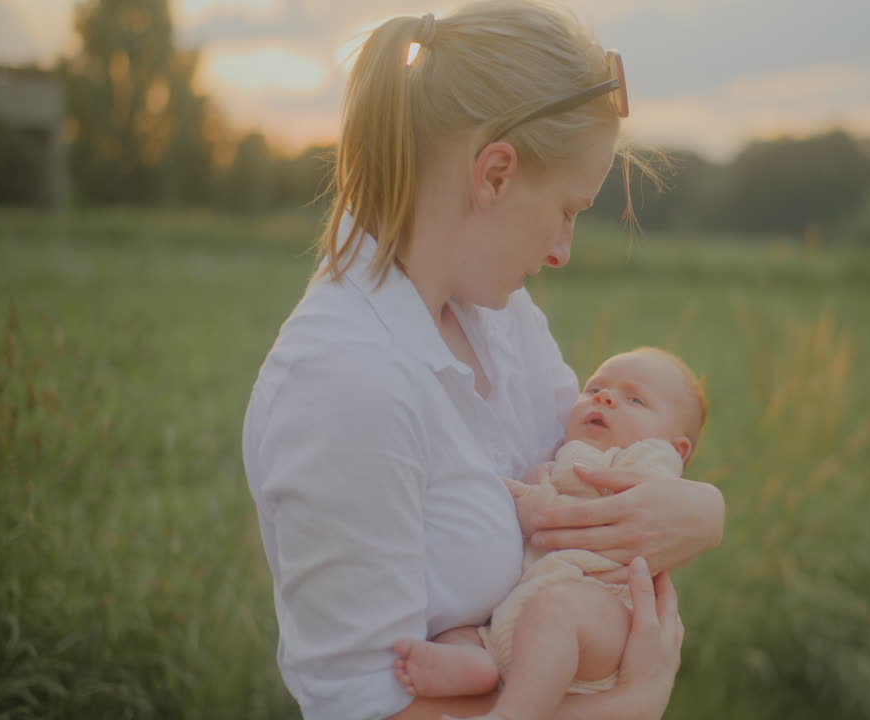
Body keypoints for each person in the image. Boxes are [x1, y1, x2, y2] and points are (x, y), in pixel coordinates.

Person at [241, 2, 725, 719]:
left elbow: (592, 459)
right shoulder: (344, 383)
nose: (563, 250)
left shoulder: (498, 318)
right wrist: (630, 703)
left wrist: (704, 509)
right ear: (495, 174)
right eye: (567, 208)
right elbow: (368, 706)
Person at [391, 347, 708, 720]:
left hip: (602, 614)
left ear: (677, 448)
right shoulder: (561, 458)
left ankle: (511, 714)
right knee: (461, 628)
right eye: (594, 390)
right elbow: (530, 500)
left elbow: (614, 515)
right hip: (520, 621)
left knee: (557, 609)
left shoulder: (650, 464)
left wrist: (536, 504)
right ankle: (475, 665)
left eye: (634, 399)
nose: (605, 398)